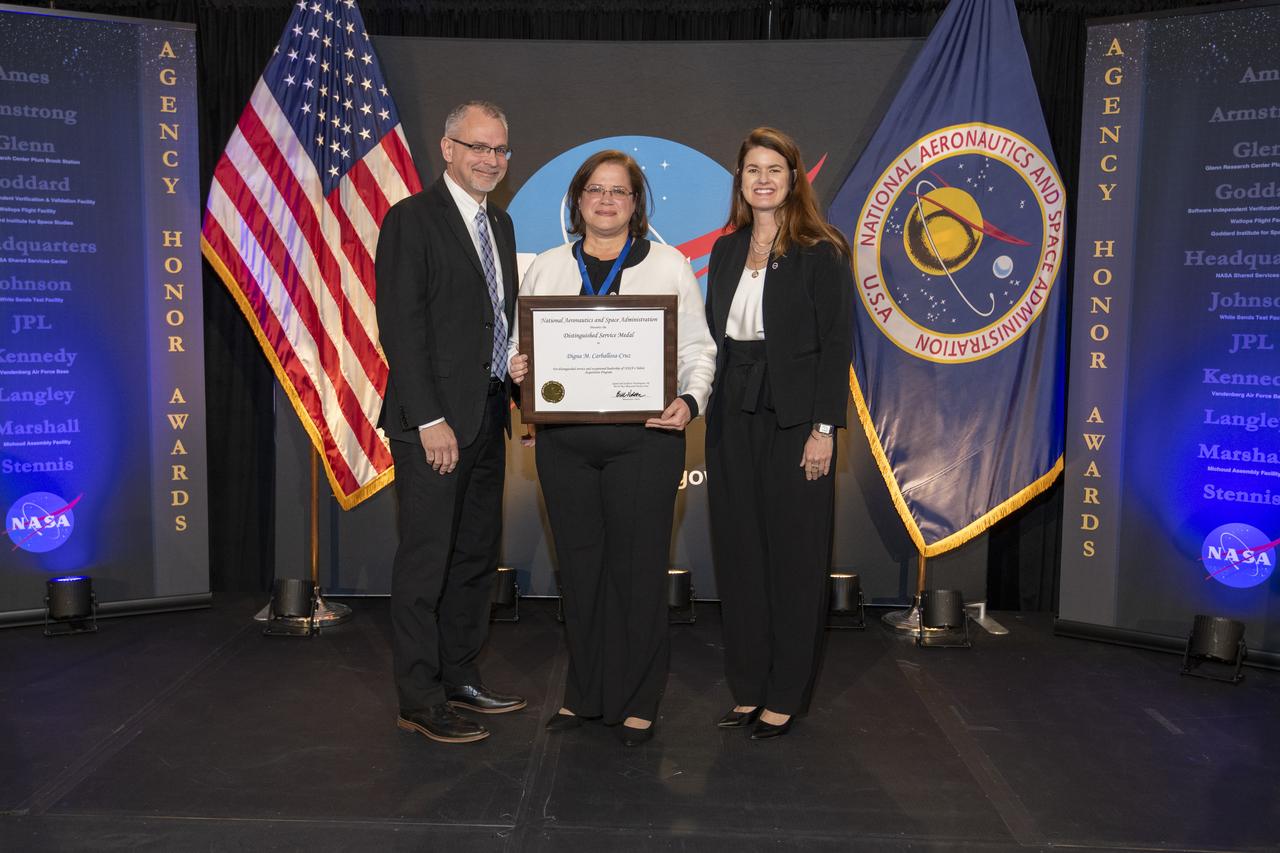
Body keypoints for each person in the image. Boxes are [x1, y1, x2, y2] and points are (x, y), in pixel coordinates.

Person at [508, 150, 716, 746]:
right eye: (595, 190)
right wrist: (519, 372)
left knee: (638, 572)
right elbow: (521, 348)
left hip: (645, 443)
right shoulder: (547, 267)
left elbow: (698, 350)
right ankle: (585, 695)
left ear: (635, 203)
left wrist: (691, 400)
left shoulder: (669, 265)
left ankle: (638, 700)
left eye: (618, 191)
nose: (606, 200)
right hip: (564, 446)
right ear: (578, 200)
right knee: (580, 573)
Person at [374, 101, 525, 744]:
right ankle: (419, 697)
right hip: (432, 423)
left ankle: (460, 675)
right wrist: (429, 417)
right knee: (426, 561)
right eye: (477, 147)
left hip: (488, 412)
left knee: (473, 557)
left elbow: (492, 319)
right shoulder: (411, 219)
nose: (490, 160)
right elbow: (400, 328)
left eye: (499, 149)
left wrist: (515, 368)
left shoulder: (502, 225)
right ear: (447, 148)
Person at [704, 127, 853, 740]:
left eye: (774, 169)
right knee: (739, 553)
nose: (762, 180)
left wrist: (823, 429)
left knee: (794, 557)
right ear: (740, 181)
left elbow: (835, 346)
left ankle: (785, 693)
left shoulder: (822, 250)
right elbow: (709, 339)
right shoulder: (725, 249)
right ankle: (749, 688)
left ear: (794, 178)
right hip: (730, 410)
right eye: (752, 170)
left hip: (795, 418)